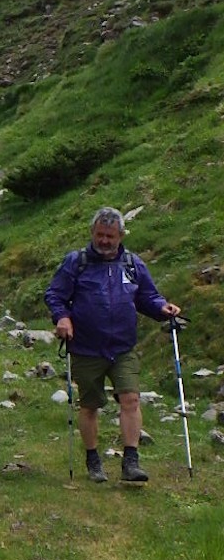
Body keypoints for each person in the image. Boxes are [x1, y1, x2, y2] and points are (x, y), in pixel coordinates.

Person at [44, 206, 181, 483]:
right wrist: (63, 319)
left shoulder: (132, 264)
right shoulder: (76, 262)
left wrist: (162, 308)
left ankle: (131, 461)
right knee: (90, 405)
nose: (105, 241)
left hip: (122, 347)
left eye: (111, 236)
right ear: (92, 233)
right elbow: (55, 295)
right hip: (85, 347)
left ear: (121, 235)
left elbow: (147, 297)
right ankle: (93, 459)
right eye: (100, 235)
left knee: (130, 398)